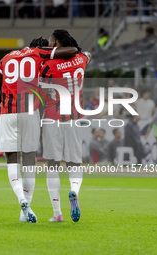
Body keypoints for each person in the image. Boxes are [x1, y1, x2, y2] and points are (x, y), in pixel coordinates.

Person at [0, 35, 78, 223]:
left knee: (12, 160)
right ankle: (24, 209)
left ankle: (22, 201)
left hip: (8, 113)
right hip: (30, 113)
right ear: (43, 47)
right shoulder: (39, 53)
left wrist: (3, 102)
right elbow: (71, 51)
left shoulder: (7, 57)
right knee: (29, 162)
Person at [39, 29, 91, 223]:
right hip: (74, 117)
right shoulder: (81, 59)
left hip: (53, 117)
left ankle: (57, 213)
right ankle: (74, 191)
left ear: (57, 42)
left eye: (52, 41)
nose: (50, 44)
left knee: (52, 165)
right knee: (74, 162)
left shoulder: (47, 65)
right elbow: (88, 54)